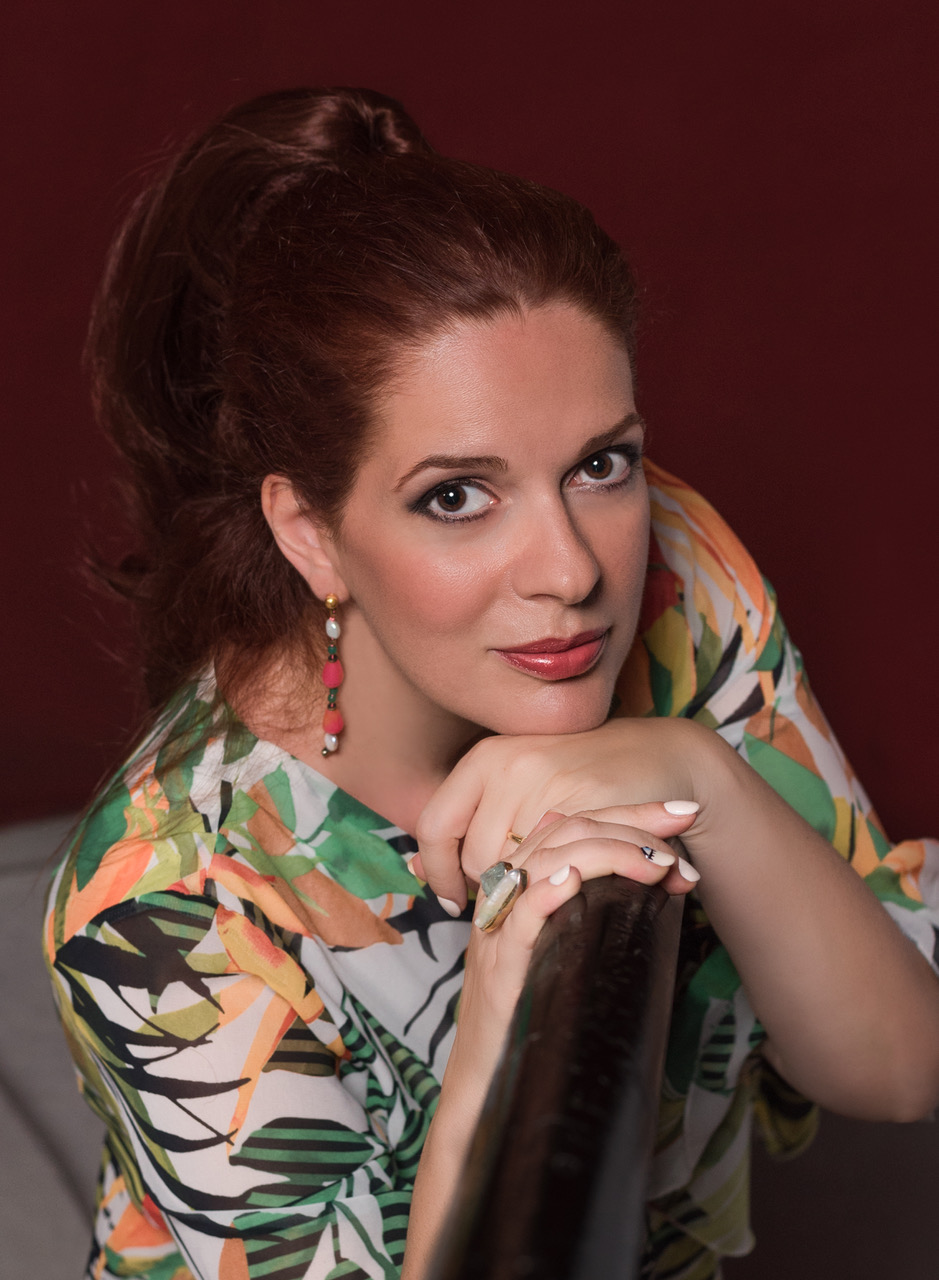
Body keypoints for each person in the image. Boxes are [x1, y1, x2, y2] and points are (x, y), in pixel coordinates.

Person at [43, 87, 939, 1280]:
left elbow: (898, 1064)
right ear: (309, 531)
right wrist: (499, 1025)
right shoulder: (161, 908)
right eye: (455, 496)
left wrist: (701, 776)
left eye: (600, 464)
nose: (570, 568)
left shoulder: (676, 574)